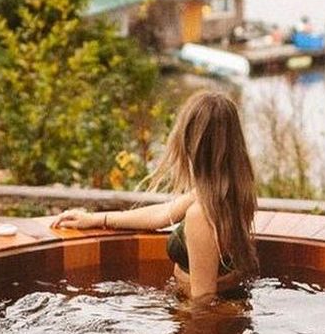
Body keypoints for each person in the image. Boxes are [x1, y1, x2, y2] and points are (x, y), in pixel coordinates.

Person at [53, 90, 258, 300]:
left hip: (192, 312)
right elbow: (163, 215)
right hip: (203, 302)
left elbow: (203, 301)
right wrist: (97, 219)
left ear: (190, 142)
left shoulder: (202, 214)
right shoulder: (227, 193)